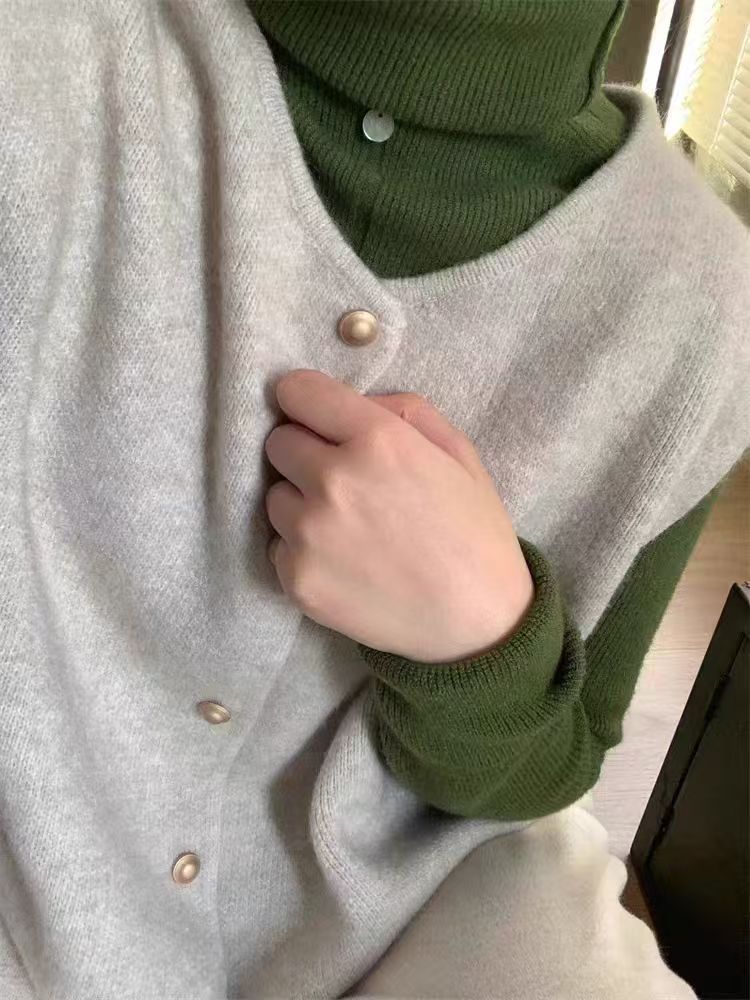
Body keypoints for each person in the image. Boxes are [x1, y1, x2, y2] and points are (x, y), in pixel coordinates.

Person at [0, 1, 746, 998]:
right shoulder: (43, 59)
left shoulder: (706, 311)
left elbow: (556, 763)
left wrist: (484, 645)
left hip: (400, 938)